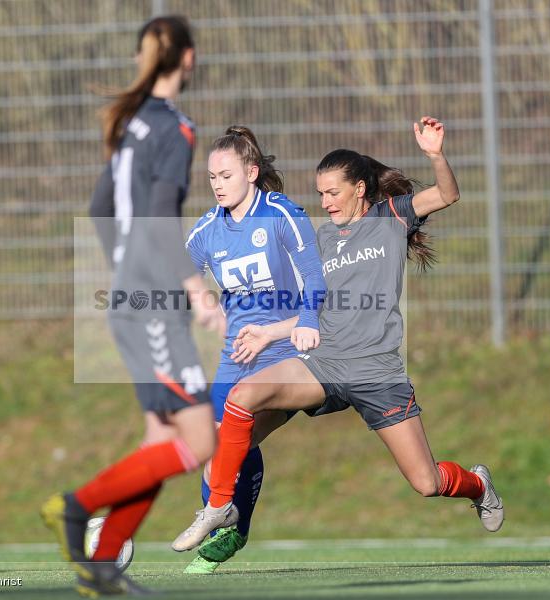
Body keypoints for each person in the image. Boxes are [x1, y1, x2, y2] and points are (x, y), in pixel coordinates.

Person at [172, 116, 504, 552]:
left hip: (376, 373)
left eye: (333, 193)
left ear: (359, 189)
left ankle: (477, 485)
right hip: (324, 366)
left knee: (427, 482)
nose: (326, 203)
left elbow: (447, 194)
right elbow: (312, 311)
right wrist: (268, 334)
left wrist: (435, 154)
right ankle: (220, 509)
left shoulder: (390, 218)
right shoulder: (320, 241)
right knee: (241, 402)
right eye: (321, 194)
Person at [40, 16, 225, 596]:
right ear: (188, 59)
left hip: (134, 293)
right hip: (151, 303)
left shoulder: (131, 126)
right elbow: (159, 216)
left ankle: (99, 570)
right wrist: (193, 288)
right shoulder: (175, 129)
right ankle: (76, 507)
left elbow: (102, 209)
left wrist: (125, 268)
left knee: (159, 442)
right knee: (199, 444)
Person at [180, 126, 326, 573]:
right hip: (237, 356)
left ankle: (229, 528)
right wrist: (197, 298)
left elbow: (317, 280)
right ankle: (228, 526)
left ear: (252, 172)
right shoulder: (209, 229)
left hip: (288, 351)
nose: (218, 184)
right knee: (214, 447)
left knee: (232, 442)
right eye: (211, 178)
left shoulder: (282, 214)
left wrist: (305, 323)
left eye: (225, 175)